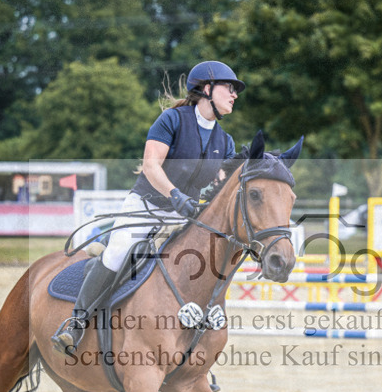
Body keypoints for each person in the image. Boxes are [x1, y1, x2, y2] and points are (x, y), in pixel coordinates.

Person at [51, 60, 245, 355]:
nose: (234, 94)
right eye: (228, 88)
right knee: (118, 253)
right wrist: (175, 194)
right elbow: (151, 166)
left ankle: (194, 351)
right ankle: (75, 324)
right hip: (146, 205)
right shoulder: (172, 120)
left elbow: (220, 186)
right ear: (207, 89)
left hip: (184, 216)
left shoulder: (225, 141)